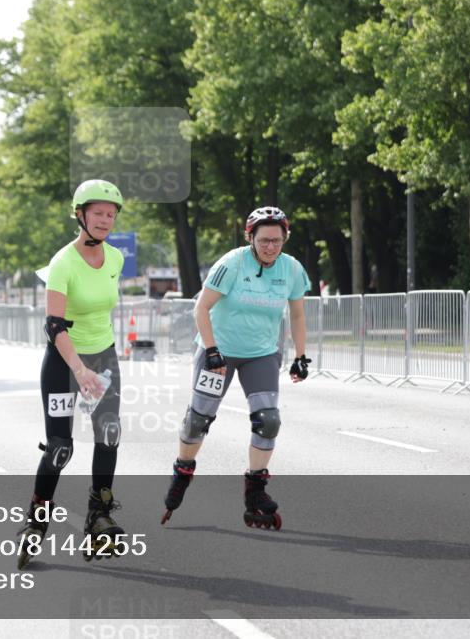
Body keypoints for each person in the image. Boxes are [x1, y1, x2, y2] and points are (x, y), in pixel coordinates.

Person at [161, 206, 312, 530]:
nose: (270, 247)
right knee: (198, 419)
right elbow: (201, 308)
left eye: (276, 240)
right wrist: (213, 350)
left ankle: (255, 489)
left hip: (261, 353)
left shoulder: (292, 269)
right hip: (219, 352)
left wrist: (301, 356)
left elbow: (297, 315)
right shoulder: (231, 263)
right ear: (251, 238)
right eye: (263, 240)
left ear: (285, 238)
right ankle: (183, 469)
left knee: (268, 420)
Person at [16, 180, 127, 569]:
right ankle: (37, 518)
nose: (105, 220)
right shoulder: (63, 262)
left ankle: (99, 515)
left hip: (104, 357)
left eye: (111, 215)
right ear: (80, 214)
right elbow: (55, 326)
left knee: (109, 432)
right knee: (61, 447)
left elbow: (102, 311)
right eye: (98, 213)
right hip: (65, 363)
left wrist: (97, 366)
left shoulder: (115, 258)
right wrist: (80, 371)